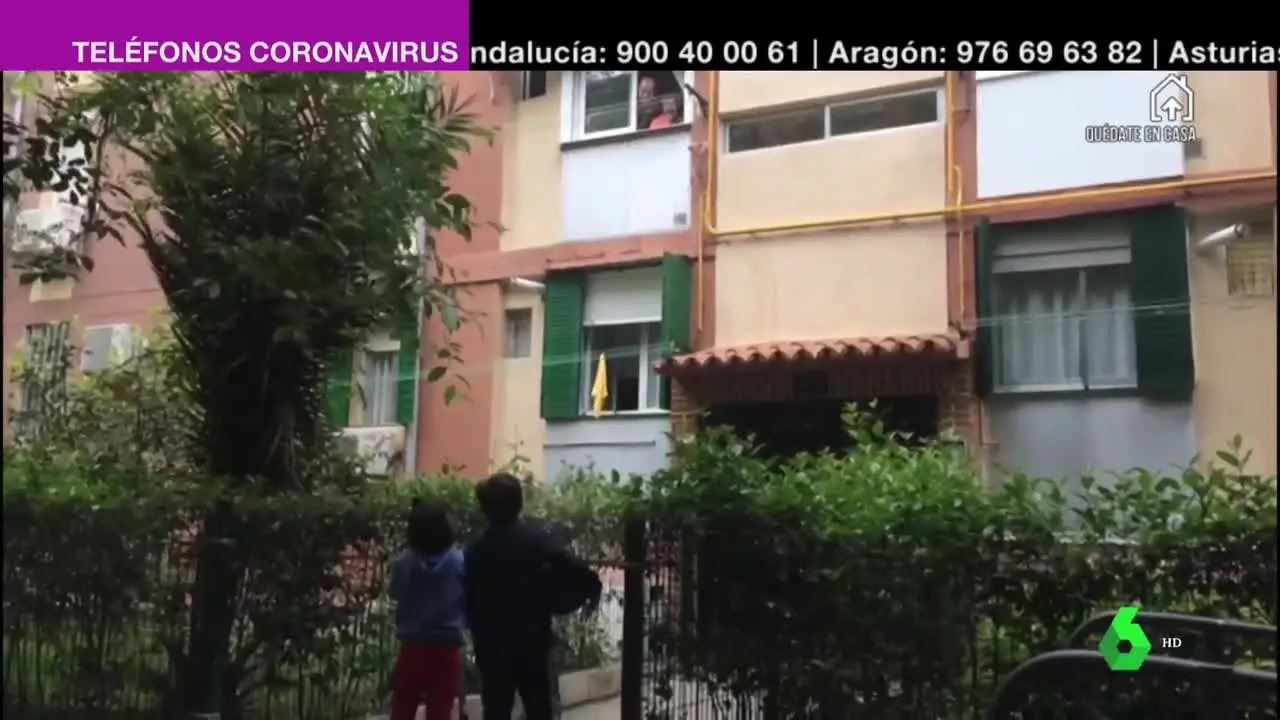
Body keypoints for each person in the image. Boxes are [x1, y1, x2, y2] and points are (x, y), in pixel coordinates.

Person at [465, 473, 601, 720]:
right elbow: (570, 565)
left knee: (496, 708)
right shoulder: (536, 540)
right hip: (532, 638)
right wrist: (586, 589)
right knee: (539, 704)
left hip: (492, 643)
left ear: (485, 508)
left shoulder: (477, 549)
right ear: (519, 503)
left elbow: (469, 596)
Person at [388, 499, 465, 720]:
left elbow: (395, 593)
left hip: (412, 646)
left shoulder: (403, 563)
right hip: (446, 647)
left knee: (403, 709)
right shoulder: (459, 561)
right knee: (440, 711)